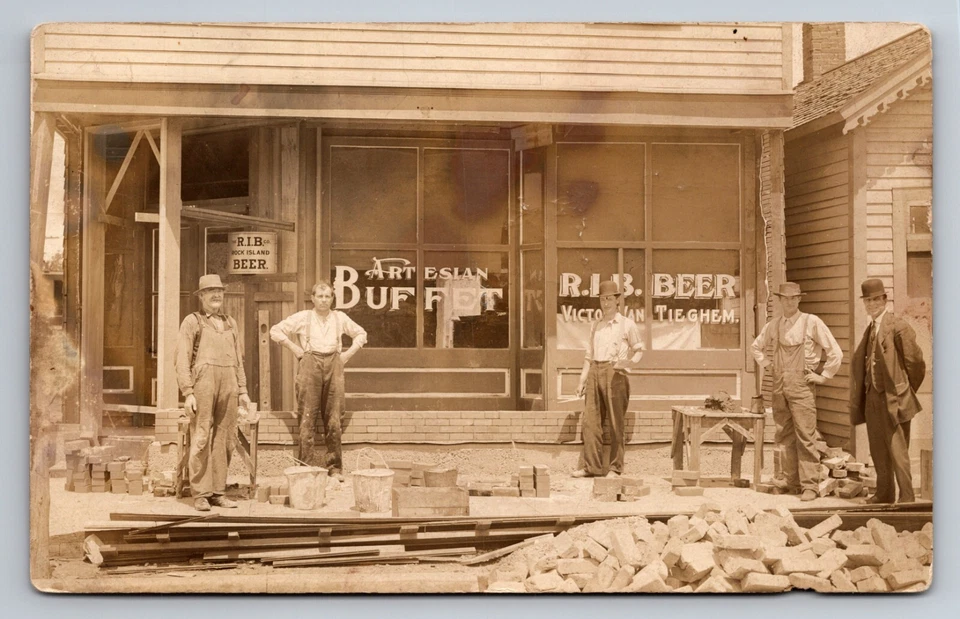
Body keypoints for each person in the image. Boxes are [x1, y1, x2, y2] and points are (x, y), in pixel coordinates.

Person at [751, 282, 843, 501]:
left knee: (806, 435)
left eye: (793, 298)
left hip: (802, 386)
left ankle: (809, 485)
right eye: (785, 298)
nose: (789, 302)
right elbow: (756, 347)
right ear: (780, 301)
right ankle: (788, 481)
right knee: (783, 434)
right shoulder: (774, 325)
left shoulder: (811, 322)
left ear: (799, 299)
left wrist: (823, 376)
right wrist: (768, 365)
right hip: (779, 385)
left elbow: (835, 352)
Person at [271, 281, 367, 480]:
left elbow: (361, 334)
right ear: (312, 298)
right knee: (307, 416)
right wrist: (295, 349)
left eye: (328, 297)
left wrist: (347, 355)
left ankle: (335, 468)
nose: (324, 301)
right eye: (320, 296)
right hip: (309, 364)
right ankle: (305, 466)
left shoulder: (339, 317)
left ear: (332, 298)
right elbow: (275, 331)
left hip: (334, 364)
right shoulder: (303, 317)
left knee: (334, 418)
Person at [175, 274, 251, 512]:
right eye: (211, 292)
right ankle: (200, 493)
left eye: (219, 291)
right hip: (203, 384)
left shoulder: (231, 323)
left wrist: (243, 390)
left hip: (229, 383)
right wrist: (188, 392)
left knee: (225, 438)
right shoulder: (193, 321)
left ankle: (218, 491)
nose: (217, 295)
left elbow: (238, 359)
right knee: (201, 436)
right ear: (202, 297)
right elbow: (181, 359)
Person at [850, 278, 925, 504]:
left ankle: (907, 497)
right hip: (873, 397)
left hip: (895, 398)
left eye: (876, 299)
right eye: (867, 301)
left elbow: (915, 363)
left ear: (885, 299)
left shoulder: (898, 326)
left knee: (898, 450)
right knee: (877, 447)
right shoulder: (871, 328)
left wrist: (903, 390)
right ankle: (884, 493)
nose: (872, 305)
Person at [571, 280, 644, 479]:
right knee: (591, 422)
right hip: (595, 370)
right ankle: (591, 468)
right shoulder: (596, 325)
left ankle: (615, 468)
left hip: (615, 374)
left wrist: (627, 364)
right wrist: (581, 380)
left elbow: (639, 351)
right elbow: (588, 356)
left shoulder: (627, 324)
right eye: (603, 299)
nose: (606, 303)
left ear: (617, 300)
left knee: (615, 423)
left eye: (610, 299)